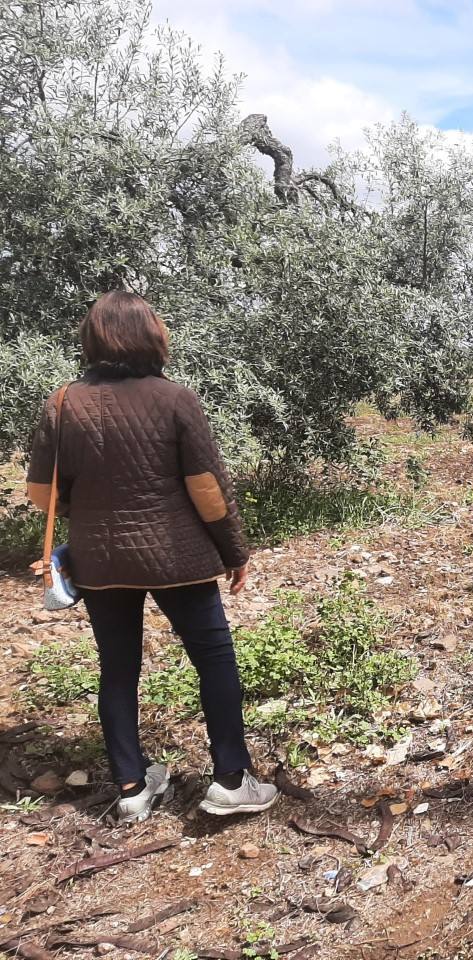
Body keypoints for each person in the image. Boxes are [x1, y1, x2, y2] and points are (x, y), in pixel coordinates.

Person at [26, 291, 278, 822]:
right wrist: (234, 551)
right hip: (175, 557)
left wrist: (86, 509)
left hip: (100, 561)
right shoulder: (175, 399)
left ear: (93, 340)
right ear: (151, 337)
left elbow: (41, 494)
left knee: (118, 668)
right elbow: (208, 490)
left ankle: (132, 787)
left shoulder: (63, 402)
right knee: (213, 658)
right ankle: (231, 780)